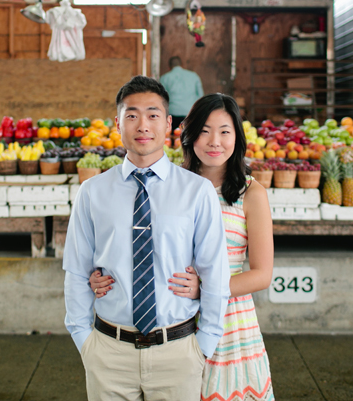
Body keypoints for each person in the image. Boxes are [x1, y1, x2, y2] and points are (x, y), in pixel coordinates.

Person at [91, 93, 275, 401]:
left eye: (225, 131)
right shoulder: (169, 182)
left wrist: (206, 289)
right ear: (188, 134)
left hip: (229, 321)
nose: (214, 141)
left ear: (237, 137)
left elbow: (262, 274)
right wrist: (100, 273)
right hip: (170, 317)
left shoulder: (250, 193)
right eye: (204, 130)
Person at [63, 76, 231, 401]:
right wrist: (84, 340)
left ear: (168, 124)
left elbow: (215, 272)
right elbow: (76, 270)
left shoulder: (197, 192)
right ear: (117, 123)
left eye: (153, 115)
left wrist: (204, 343)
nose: (143, 125)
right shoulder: (92, 192)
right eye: (132, 115)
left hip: (178, 352)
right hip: (109, 352)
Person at [159, 56, 204, 128]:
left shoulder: (164, 78)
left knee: (173, 137)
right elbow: (201, 96)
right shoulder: (194, 76)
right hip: (190, 113)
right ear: (182, 65)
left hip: (173, 113)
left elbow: (161, 98)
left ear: (169, 67)